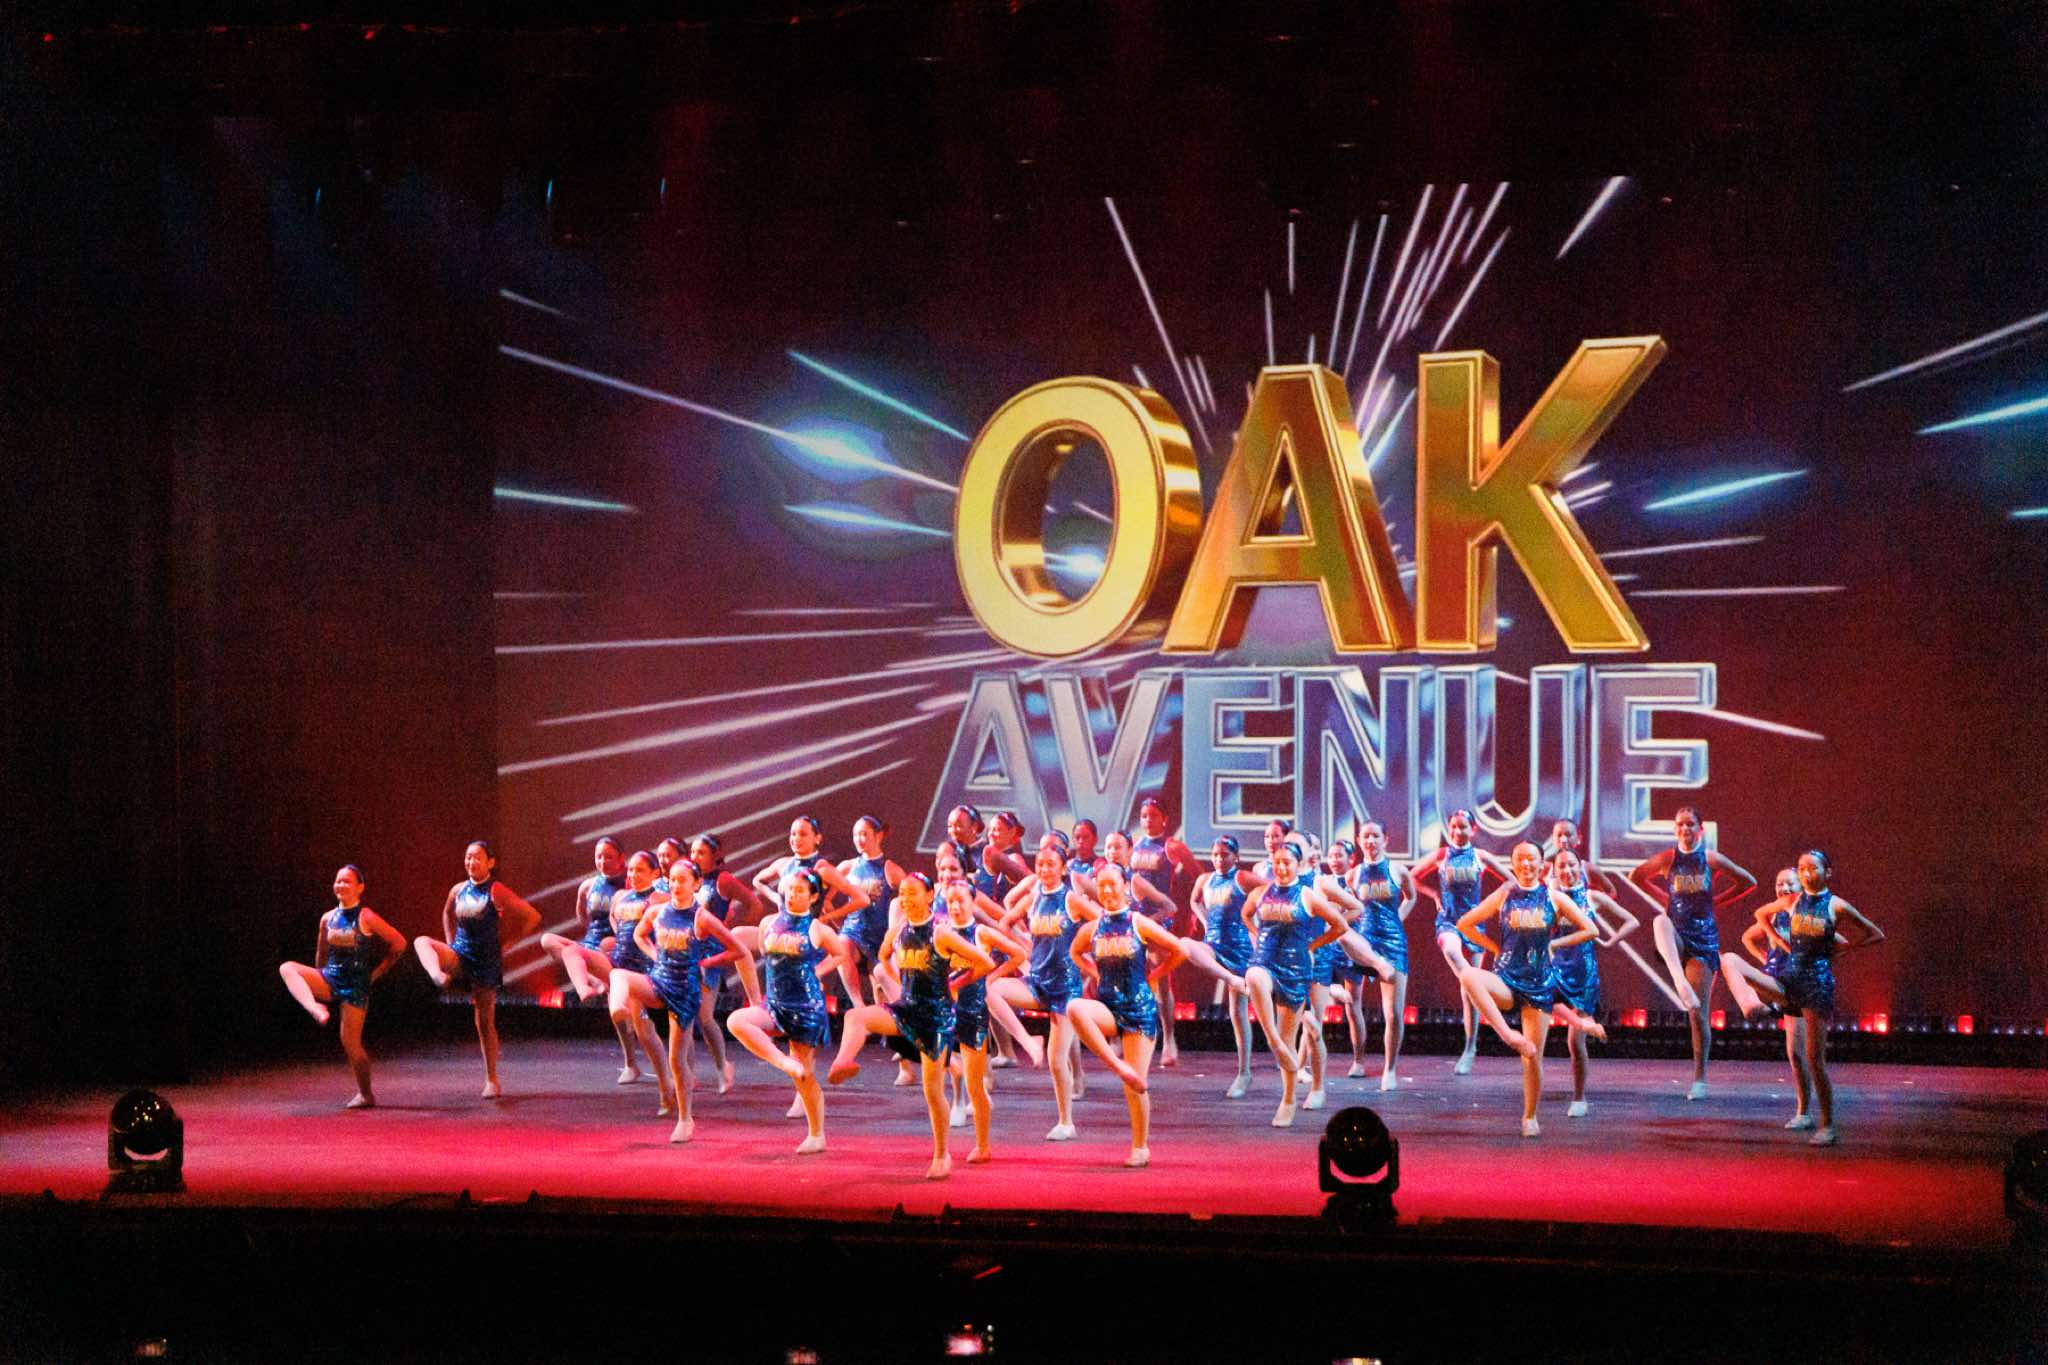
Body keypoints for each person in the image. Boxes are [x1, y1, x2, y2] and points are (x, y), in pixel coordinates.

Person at [827, 873, 1000, 1179]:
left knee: (932, 1090)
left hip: (936, 1018)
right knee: (855, 1016)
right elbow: (883, 957)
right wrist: (899, 983)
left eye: (913, 893)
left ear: (930, 896)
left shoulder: (941, 933)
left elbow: (985, 963)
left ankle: (943, 1155)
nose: (905, 899)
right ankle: (843, 1063)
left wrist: (955, 983)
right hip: (907, 1008)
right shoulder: (898, 930)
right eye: (903, 894)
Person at [1718, 850, 1884, 1145]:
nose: (1807, 873)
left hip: (1815, 988)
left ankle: (1827, 1125)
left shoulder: (1835, 905)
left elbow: (1874, 934)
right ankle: (1752, 1006)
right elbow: (1759, 916)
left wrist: (1841, 950)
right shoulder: (1790, 903)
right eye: (1802, 868)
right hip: (1787, 982)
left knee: (1813, 1059)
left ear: (1827, 872)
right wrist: (1776, 941)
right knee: (1729, 959)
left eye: (1812, 868)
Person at [991, 835, 1145, 1141]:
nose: (1044, 869)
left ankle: (1066, 1122)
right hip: (1036, 982)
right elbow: (1005, 922)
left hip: (1065, 989)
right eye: (1040, 864)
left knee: (1056, 1061)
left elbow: (1102, 923)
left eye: (1051, 865)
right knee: (991, 988)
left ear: (1063, 869)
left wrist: (1093, 964)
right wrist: (1023, 949)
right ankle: (1028, 1041)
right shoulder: (1033, 897)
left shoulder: (1071, 899)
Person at [1452, 842, 1602, 1136]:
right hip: (1507, 979)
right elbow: (1464, 924)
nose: (1526, 864)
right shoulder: (1504, 894)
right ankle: (1508, 1034)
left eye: (1531, 859)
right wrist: (1494, 948)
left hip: (1539, 985)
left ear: (1542, 864)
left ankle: (1530, 1116)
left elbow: (1591, 929)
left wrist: (1555, 943)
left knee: (1532, 1056)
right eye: (1520, 859)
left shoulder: (1554, 898)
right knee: (1468, 975)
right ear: (1513, 864)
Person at [1628, 806, 1757, 1099]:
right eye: (1680, 824)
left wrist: (1717, 901)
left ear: (1700, 829)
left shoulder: (1710, 859)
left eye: (1690, 824)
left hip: (1703, 939)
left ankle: (1700, 1078)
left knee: (1698, 1014)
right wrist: (1664, 897)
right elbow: (1636, 876)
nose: (1685, 829)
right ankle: (1679, 980)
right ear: (1675, 829)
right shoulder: (1668, 858)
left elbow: (1747, 881)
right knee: (1660, 920)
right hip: (1676, 935)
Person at [631, 858, 762, 1142]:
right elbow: (639, 935)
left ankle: (685, 1118)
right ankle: (626, 1017)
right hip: (659, 982)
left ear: (697, 884)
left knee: (676, 1059)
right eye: (672, 880)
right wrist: (655, 956)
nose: (676, 885)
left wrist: (707, 962)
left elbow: (738, 950)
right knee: (621, 980)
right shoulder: (657, 912)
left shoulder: (701, 917)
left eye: (683, 880)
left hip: (685, 990)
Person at [726, 866, 855, 1155]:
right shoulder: (769, 923)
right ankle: (782, 1062)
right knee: (737, 1021)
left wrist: (817, 971)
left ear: (813, 897)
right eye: (789, 889)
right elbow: (761, 953)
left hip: (806, 1007)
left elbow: (840, 953)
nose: (792, 895)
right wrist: (758, 996)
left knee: (804, 1077)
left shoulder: (817, 928)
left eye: (800, 891)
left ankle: (817, 1134)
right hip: (775, 1004)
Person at [1069, 863, 1188, 1167]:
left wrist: (1153, 977)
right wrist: (1094, 972)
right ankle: (1118, 1066)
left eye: (1113, 884)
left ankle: (1140, 1147)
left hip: (1138, 1011)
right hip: (1108, 1007)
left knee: (1135, 1085)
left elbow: (1180, 951)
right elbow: (1074, 952)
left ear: (1124, 886)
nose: (1107, 890)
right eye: (1102, 885)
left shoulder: (1138, 922)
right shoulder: (1092, 928)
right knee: (1075, 1007)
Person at [412, 840, 541, 1098]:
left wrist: (508, 944)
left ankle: (492, 1080)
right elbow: (447, 913)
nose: (471, 862)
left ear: (490, 862)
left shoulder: (496, 890)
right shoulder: (458, 889)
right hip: (460, 954)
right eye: (468, 857)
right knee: (421, 941)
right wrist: (450, 942)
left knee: (484, 1022)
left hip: (485, 961)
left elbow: (532, 917)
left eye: (477, 857)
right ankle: (437, 974)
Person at [1241, 835, 1352, 1128]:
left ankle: (1301, 1093)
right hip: (1266, 961)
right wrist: (1257, 937)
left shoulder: (1312, 890)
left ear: (1299, 862)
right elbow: (1246, 914)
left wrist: (1313, 946)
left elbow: (1343, 921)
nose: (1280, 867)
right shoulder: (1262, 892)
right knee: (1253, 976)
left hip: (1301, 967)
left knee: (1307, 1032)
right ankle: (1272, 1041)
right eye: (1276, 862)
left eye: (1286, 862)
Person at [278, 864, 408, 1108]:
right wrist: (316, 979)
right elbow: (321, 953)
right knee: (287, 968)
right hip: (330, 977)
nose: (341, 885)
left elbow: (399, 943)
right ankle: (314, 1008)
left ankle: (366, 1094)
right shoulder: (327, 918)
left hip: (355, 985)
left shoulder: (366, 916)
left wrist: (377, 973)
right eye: (338, 881)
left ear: (360, 887)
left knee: (350, 1042)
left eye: (347, 881)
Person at [934, 877, 1030, 1156]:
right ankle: (941, 1146)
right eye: (950, 901)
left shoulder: (981, 933)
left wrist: (991, 978)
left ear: (972, 903)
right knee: (937, 1078)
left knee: (975, 1085)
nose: (955, 907)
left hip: (973, 1014)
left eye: (961, 901)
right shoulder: (940, 932)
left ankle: (982, 1145)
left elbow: (1017, 954)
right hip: (945, 1013)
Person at [538, 837, 644, 1079]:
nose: (603, 861)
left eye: (609, 856)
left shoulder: (629, 885)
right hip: (590, 944)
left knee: (621, 1009)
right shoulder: (588, 886)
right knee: (548, 940)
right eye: (599, 856)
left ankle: (630, 1063)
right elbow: (583, 917)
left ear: (621, 859)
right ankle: (593, 981)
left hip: (613, 949)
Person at [1547, 847, 1637, 1117]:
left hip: (1583, 974)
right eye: (1561, 866)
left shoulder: (1591, 897)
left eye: (1571, 865)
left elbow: (1631, 921)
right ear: (1555, 871)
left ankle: (1579, 1098)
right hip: (1554, 970)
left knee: (1575, 1042)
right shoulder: (1549, 898)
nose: (1567, 870)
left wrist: (1610, 942)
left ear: (1580, 868)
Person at [1410, 809, 1495, 1074]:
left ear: (1474, 830)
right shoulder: (1441, 855)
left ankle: (1470, 1047)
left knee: (1468, 994)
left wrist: (1493, 905)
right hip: (1448, 922)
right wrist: (1434, 894)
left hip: (1474, 925)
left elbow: (1511, 881)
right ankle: (1474, 982)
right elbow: (1412, 877)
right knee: (1451, 950)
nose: (1458, 832)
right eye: (1454, 827)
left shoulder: (1480, 857)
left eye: (1463, 827)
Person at [1127, 798, 1206, 1066]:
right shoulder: (1136, 845)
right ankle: (1133, 1036)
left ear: (1165, 819)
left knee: (1161, 981)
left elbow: (1199, 875)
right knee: (1133, 978)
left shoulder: (1172, 846)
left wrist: (1194, 910)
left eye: (1153, 815)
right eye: (1144, 815)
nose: (1148, 820)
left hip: (1161, 919)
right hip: (1136, 919)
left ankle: (1170, 1039)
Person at [601, 851, 678, 1106]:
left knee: (647, 1031)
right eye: (631, 870)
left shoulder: (659, 898)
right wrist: (620, 936)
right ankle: (664, 1085)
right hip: (621, 962)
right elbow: (614, 916)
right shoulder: (621, 897)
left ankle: (670, 1083)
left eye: (640, 870)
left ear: (655, 873)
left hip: (643, 968)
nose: (633, 875)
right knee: (643, 1030)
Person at [687, 833, 761, 1094]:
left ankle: (723, 1067)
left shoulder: (723, 880)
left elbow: (754, 903)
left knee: (704, 1017)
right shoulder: (690, 879)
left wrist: (728, 932)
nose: (694, 857)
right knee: (684, 1016)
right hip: (688, 951)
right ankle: (688, 1074)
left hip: (711, 955)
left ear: (716, 855)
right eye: (692, 852)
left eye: (701, 853)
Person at [1348, 822, 1416, 1092]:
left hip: (1392, 943)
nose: (1370, 841)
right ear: (1359, 840)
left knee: (1394, 1013)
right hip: (1365, 943)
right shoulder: (1353, 875)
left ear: (1385, 839)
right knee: (1352, 1003)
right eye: (1366, 836)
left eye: (1375, 836)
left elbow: (1411, 897)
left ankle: (1390, 1068)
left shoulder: (1398, 870)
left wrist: (1397, 920)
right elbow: (1349, 906)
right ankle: (1358, 1060)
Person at [1192, 836, 1261, 1097]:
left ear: (1236, 856)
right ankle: (1231, 979)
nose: (1219, 859)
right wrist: (1205, 922)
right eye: (1215, 854)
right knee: (1188, 947)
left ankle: (1244, 1073)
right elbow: (1194, 901)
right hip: (1213, 945)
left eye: (1225, 855)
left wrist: (1254, 923)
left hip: (1239, 949)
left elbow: (1271, 891)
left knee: (1238, 1012)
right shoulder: (1205, 880)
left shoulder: (1242, 878)